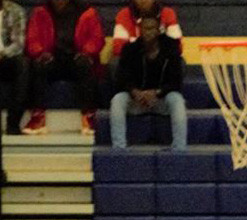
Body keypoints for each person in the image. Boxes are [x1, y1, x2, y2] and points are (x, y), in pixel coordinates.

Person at [23, 0, 104, 136]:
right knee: (37, 66)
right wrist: (40, 52)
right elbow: (32, 40)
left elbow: (97, 39)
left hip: (76, 58)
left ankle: (88, 117)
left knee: (85, 65)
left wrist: (86, 52)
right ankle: (38, 117)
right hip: (52, 58)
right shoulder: (40, 13)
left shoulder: (87, 12)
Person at [110, 15, 187, 151]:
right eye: (145, 28)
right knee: (117, 100)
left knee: (177, 100)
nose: (148, 32)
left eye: (152, 29)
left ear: (159, 30)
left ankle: (179, 148)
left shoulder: (171, 48)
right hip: (137, 99)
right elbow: (121, 78)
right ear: (140, 30)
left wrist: (157, 93)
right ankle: (119, 148)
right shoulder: (130, 49)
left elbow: (176, 81)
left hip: (160, 99)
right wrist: (135, 92)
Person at [112, 0, 182, 60]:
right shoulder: (124, 14)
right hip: (134, 61)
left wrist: (133, 42)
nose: (143, 0)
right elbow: (118, 49)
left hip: (160, 60)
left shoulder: (168, 13)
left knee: (178, 61)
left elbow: (177, 47)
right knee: (116, 61)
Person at [0, 0, 29, 134]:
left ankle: (13, 124)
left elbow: (18, 44)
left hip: (6, 58)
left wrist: (3, 53)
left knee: (23, 64)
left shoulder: (15, 11)